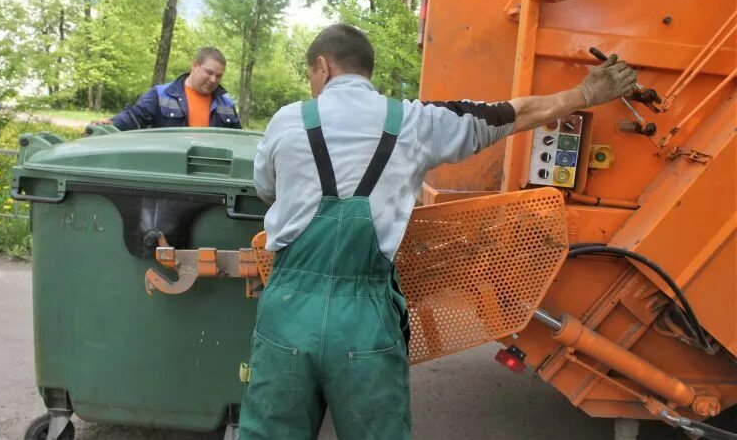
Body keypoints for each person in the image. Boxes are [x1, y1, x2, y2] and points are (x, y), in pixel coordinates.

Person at [241, 24, 637, 439]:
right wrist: (585, 94)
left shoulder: (286, 121)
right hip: (366, 317)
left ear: (321, 67)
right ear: (367, 72)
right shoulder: (415, 122)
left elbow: (268, 191)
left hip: (288, 308)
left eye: (311, 76)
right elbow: (513, 114)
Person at [98, 47, 241, 130]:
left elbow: (238, 140)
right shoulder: (161, 95)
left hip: (211, 175)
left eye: (218, 76)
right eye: (209, 73)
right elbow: (134, 117)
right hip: (170, 172)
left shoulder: (226, 104)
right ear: (195, 66)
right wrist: (110, 125)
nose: (213, 80)